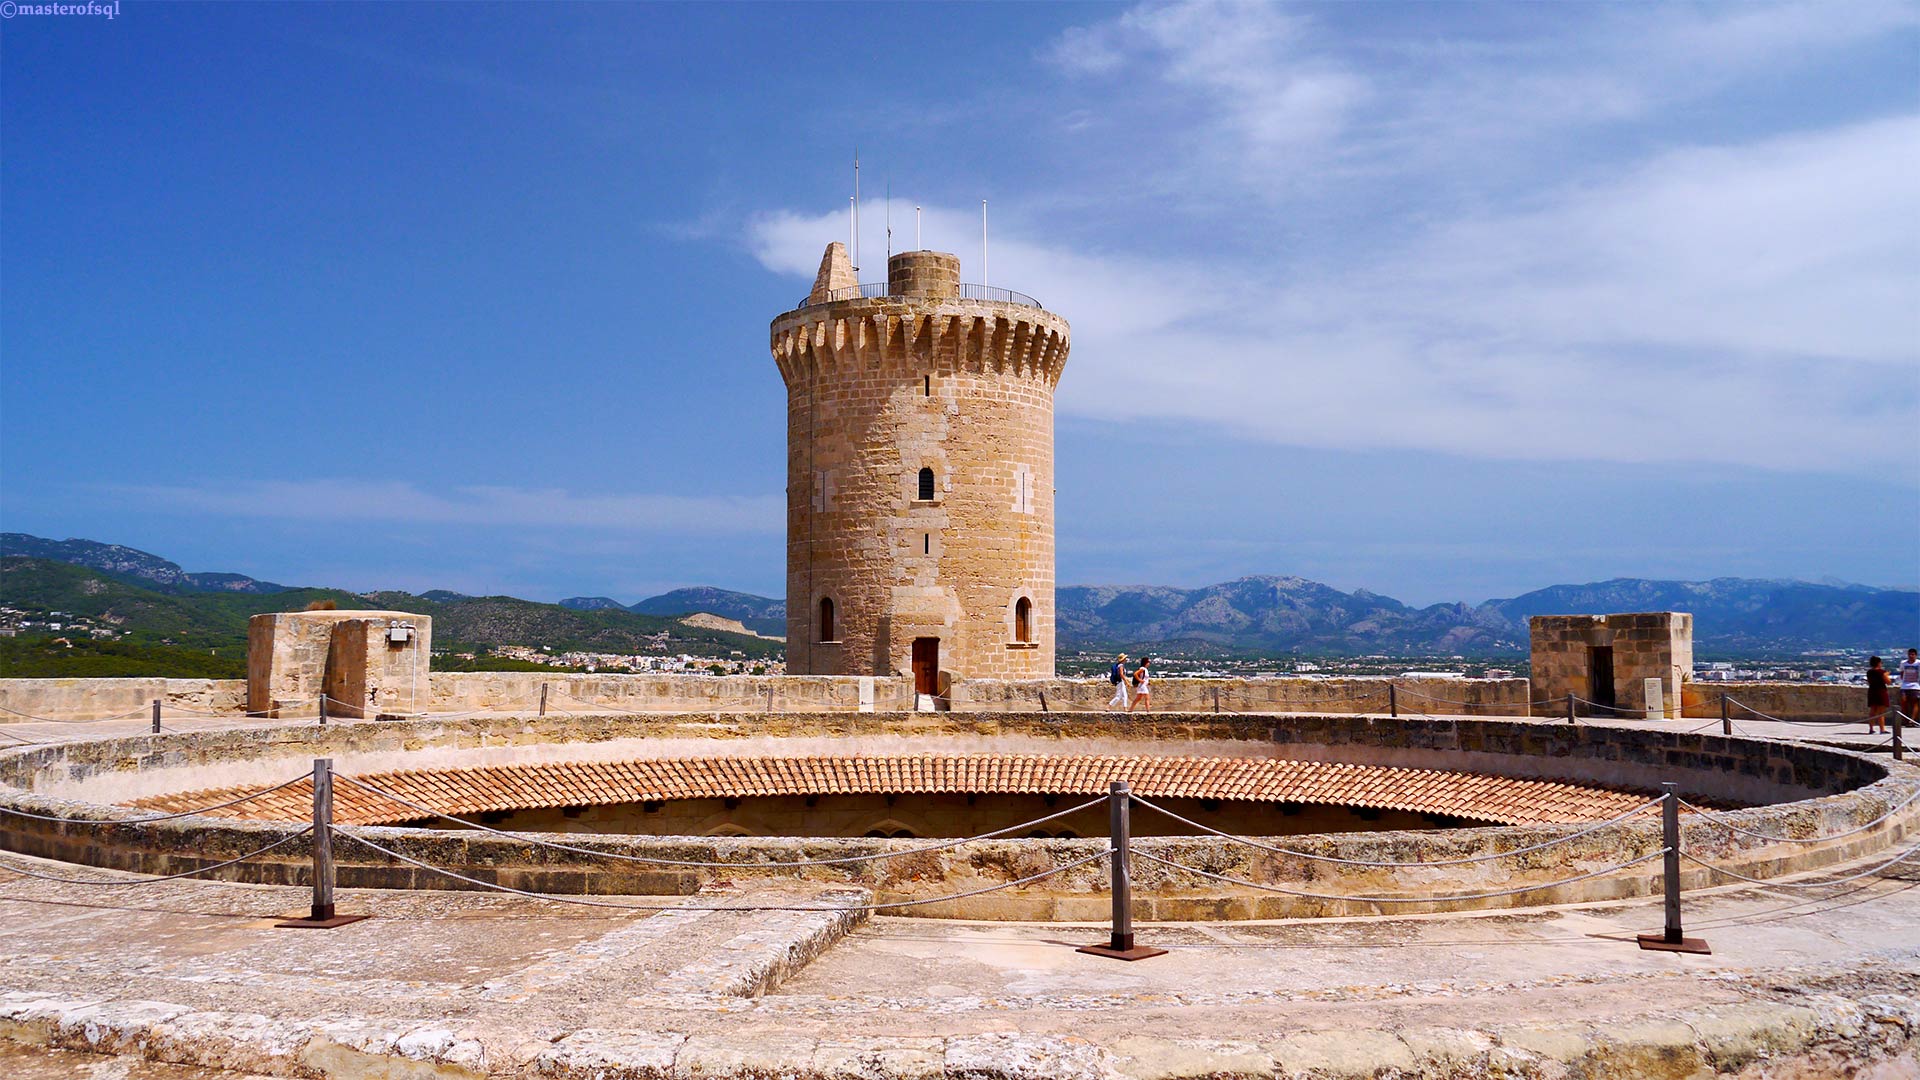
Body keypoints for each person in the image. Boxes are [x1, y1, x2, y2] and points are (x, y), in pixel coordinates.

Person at [1866, 656, 1891, 734]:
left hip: (1872, 691)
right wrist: (1886, 674)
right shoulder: (1882, 672)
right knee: (1881, 712)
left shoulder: (1869, 672)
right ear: (1879, 663)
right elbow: (1888, 682)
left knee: (1872, 711)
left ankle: (1871, 728)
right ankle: (1882, 729)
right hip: (1881, 691)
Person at [1899, 648, 1920, 731]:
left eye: (1913, 655)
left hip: (1916, 685)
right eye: (1910, 654)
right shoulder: (1903, 663)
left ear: (1915, 655)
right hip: (1905, 686)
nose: (1911, 656)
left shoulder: (1918, 663)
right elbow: (1901, 673)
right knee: (1904, 702)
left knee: (1915, 703)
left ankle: (1912, 720)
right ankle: (1905, 720)